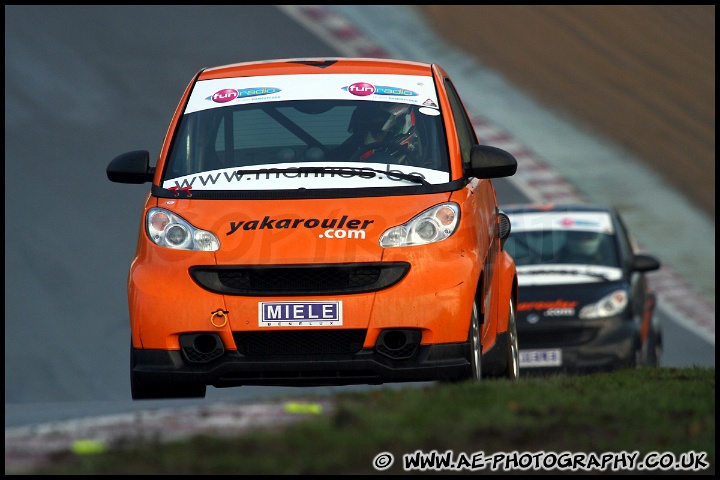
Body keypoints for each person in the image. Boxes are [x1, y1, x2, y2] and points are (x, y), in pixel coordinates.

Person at [329, 102, 418, 163]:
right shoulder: (343, 154)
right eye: (363, 130)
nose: (366, 138)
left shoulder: (423, 165)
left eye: (377, 132)